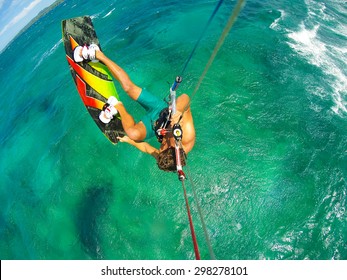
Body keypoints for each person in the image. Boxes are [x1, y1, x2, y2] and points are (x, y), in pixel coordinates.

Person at [74, 44, 196, 171]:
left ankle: (117, 106)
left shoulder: (166, 157)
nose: (160, 148)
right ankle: (98, 54)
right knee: (129, 88)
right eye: (162, 148)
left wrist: (129, 140)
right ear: (170, 150)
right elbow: (186, 98)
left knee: (133, 134)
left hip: (155, 126)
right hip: (162, 111)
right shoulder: (186, 137)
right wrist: (178, 111)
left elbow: (146, 148)